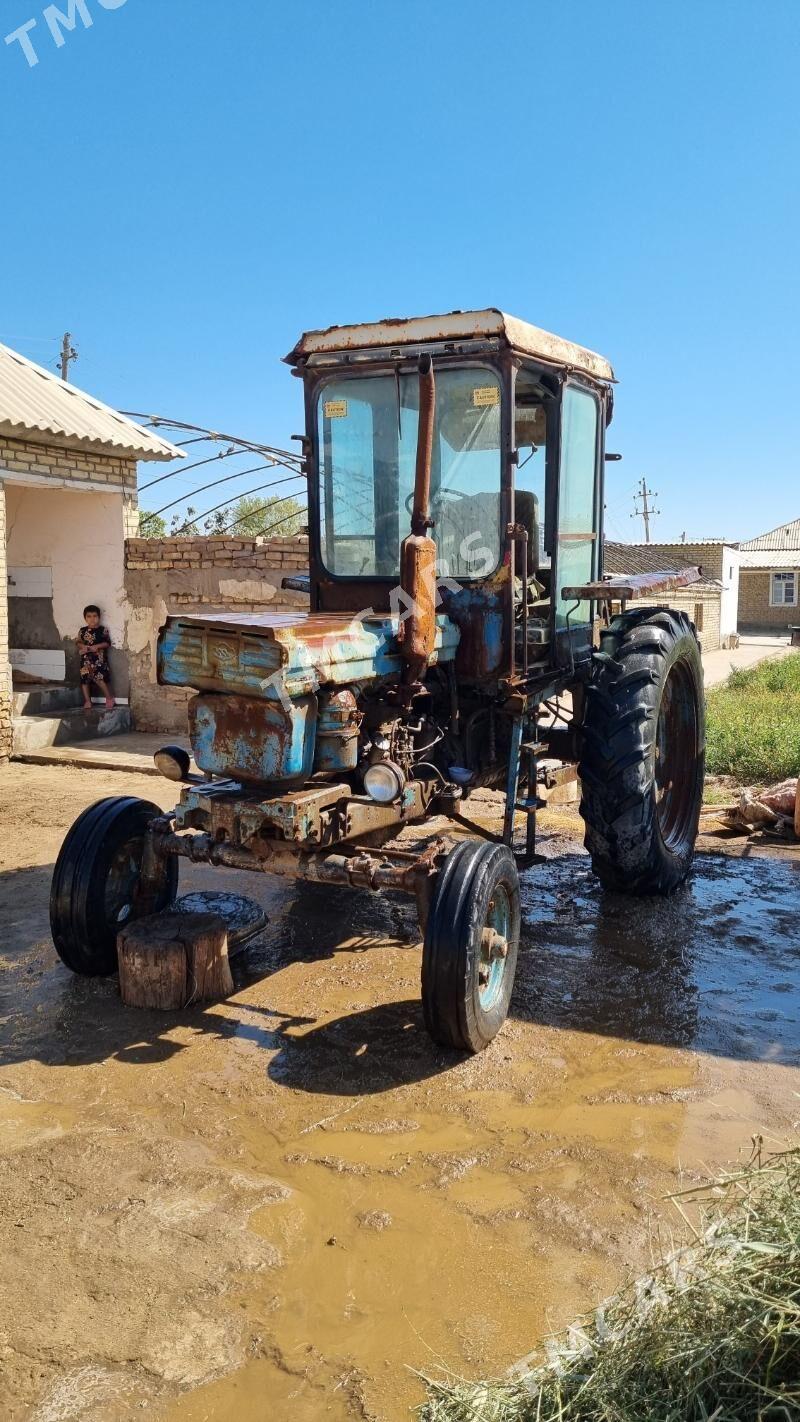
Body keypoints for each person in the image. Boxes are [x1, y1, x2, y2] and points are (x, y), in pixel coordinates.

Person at [76, 605, 115, 710]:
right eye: (89, 616)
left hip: (98, 660)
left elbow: (107, 643)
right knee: (84, 681)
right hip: (85, 660)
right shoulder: (82, 631)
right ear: (85, 618)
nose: (92, 619)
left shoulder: (103, 630)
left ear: (99, 617)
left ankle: (109, 698)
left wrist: (96, 647)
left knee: (99, 679)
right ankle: (88, 701)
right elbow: (78, 642)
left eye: (94, 616)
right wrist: (83, 647)